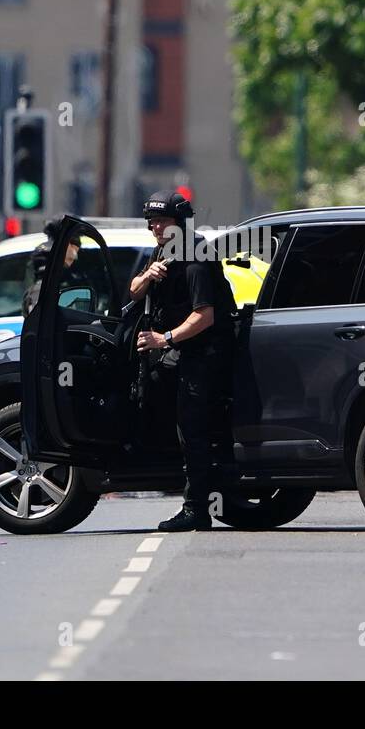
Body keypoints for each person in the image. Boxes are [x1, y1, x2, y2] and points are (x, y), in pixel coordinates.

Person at [131, 191, 236, 532]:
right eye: (152, 222)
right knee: (182, 428)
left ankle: (196, 510)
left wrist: (164, 339)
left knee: (195, 433)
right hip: (183, 355)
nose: (156, 227)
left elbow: (204, 316)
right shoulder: (163, 251)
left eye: (162, 221)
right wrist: (149, 276)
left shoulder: (195, 255)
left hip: (203, 354)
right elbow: (133, 290)